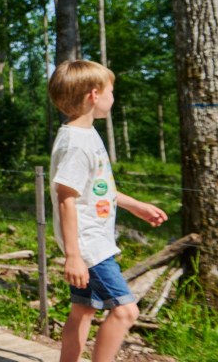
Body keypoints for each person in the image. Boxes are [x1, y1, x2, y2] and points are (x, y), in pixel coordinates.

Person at [47, 60, 168, 362]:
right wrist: (74, 255)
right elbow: (66, 198)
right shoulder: (76, 143)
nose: (113, 97)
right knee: (126, 311)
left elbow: (96, 189)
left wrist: (134, 205)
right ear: (94, 95)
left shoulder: (86, 134)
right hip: (88, 246)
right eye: (111, 91)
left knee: (84, 309)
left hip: (92, 241)